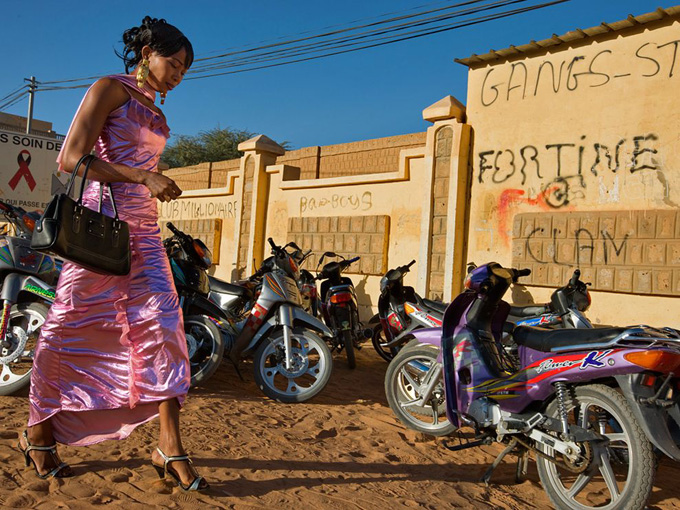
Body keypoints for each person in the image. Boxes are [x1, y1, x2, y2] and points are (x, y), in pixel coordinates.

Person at [17, 16, 208, 492]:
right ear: (148, 54)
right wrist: (143, 177)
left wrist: (149, 183)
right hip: (100, 229)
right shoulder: (110, 89)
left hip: (143, 230)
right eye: (174, 63)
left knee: (164, 326)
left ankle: (169, 444)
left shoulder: (154, 109)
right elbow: (71, 157)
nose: (178, 74)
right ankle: (39, 430)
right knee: (68, 324)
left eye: (185, 69)